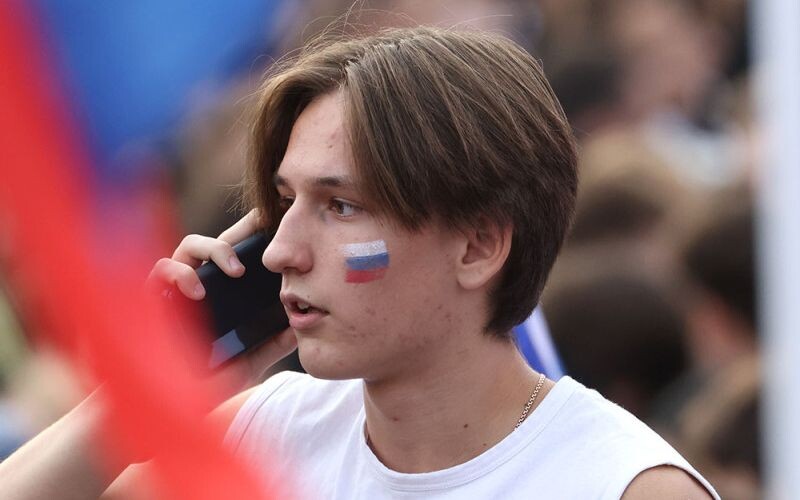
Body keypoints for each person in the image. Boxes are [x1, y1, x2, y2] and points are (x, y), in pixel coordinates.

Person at [0, 26, 718, 499]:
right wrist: (157, 384)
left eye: (341, 206)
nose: (280, 250)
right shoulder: (270, 427)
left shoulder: (623, 485)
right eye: (286, 202)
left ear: (478, 245)